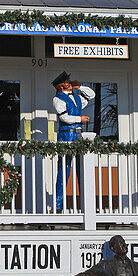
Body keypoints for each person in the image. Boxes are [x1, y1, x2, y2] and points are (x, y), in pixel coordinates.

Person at [51, 71, 93, 210]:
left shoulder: (76, 98)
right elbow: (64, 117)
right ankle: (58, 204)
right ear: (60, 86)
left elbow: (91, 95)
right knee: (64, 169)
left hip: (79, 135)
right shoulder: (58, 99)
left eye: (69, 82)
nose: (69, 84)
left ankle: (86, 204)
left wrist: (79, 87)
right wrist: (79, 119)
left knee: (83, 169)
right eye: (67, 83)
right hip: (66, 134)